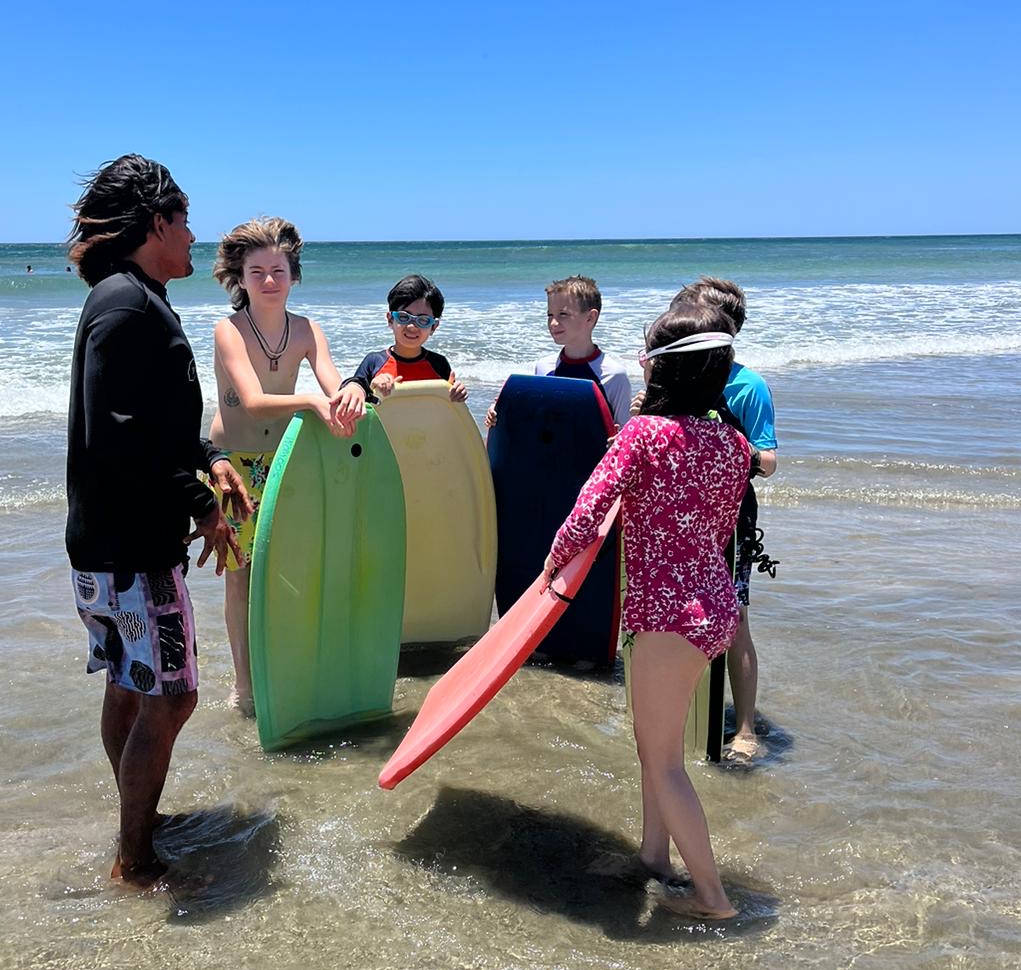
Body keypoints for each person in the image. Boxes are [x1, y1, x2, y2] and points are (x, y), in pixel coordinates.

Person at [65, 154, 253, 887]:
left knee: (130, 686)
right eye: (182, 220)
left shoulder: (134, 297)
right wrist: (201, 506)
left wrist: (211, 459)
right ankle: (135, 860)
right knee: (172, 695)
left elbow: (156, 420)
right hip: (132, 547)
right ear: (154, 226)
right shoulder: (126, 304)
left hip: (108, 542)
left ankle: (135, 824)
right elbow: (118, 434)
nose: (193, 234)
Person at [543, 307, 752, 919]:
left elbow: (586, 515)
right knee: (653, 747)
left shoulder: (644, 436)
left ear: (663, 368)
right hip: (712, 606)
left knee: (663, 761)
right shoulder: (733, 444)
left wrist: (549, 572)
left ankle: (713, 898)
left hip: (665, 614)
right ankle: (654, 856)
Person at [208, 216, 354, 714]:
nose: (269, 281)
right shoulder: (228, 330)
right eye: (257, 272)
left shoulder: (308, 330)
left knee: (289, 567)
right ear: (239, 277)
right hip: (235, 465)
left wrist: (352, 390)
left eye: (279, 270)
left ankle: (287, 665)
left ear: (294, 275)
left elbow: (334, 385)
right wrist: (313, 404)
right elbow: (250, 400)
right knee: (241, 573)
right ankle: (244, 683)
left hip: (290, 461)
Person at [667, 277, 778, 766]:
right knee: (676, 613)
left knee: (734, 619)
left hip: (730, 513)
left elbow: (770, 460)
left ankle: (747, 726)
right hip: (674, 509)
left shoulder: (748, 385)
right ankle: (678, 713)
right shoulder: (669, 376)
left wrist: (728, 449)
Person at [484, 275, 633, 431]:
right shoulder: (543, 368)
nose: (553, 323)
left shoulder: (615, 375)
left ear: (590, 317)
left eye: (563, 314)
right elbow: (533, 422)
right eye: (550, 315)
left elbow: (624, 437)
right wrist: (497, 412)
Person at [333, 274, 468, 408]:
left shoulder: (439, 364)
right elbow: (352, 393)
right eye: (404, 317)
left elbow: (448, 412)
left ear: (433, 327)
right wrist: (371, 389)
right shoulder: (374, 362)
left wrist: (456, 396)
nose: (412, 326)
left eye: (423, 320)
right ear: (390, 319)